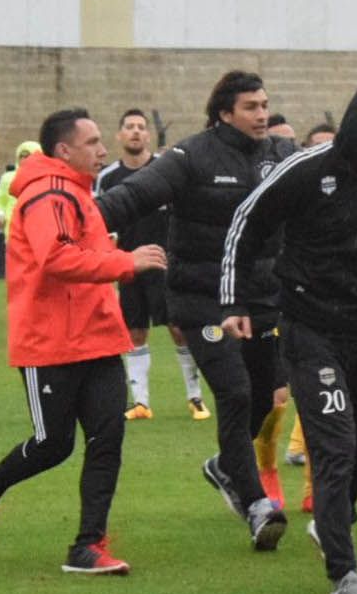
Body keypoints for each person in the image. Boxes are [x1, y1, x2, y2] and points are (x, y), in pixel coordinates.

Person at [218, 82, 357, 594]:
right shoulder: (308, 169)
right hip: (310, 331)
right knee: (335, 446)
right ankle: (346, 581)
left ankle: (332, 524)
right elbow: (247, 223)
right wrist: (233, 300)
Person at [0, 109, 166, 575]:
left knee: (108, 438)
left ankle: (88, 546)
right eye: (92, 142)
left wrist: (116, 259)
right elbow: (56, 258)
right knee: (53, 444)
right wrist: (125, 262)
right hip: (49, 341)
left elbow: (84, 253)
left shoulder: (78, 192)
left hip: (98, 336)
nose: (103, 150)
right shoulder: (47, 193)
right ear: (64, 150)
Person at [95, 71, 294, 553]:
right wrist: (76, 220)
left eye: (264, 105)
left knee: (265, 398)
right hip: (202, 300)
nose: (262, 114)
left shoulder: (279, 155)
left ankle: (226, 466)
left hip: (261, 299)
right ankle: (256, 504)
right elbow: (132, 196)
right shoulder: (191, 156)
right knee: (235, 391)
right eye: (251, 107)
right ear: (224, 113)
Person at [95, 109, 206, 421]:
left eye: (141, 127)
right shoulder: (107, 177)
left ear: (148, 135)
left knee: (179, 329)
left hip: (166, 264)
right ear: (119, 135)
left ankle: (195, 397)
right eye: (129, 126)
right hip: (128, 265)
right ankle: (141, 402)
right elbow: (99, 224)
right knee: (135, 332)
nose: (135, 131)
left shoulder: (165, 170)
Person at [0, 140, 41, 238]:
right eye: (22, 156)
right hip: (12, 231)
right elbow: (0, 200)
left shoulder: (43, 178)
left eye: (29, 156)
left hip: (36, 230)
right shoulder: (8, 178)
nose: (24, 160)